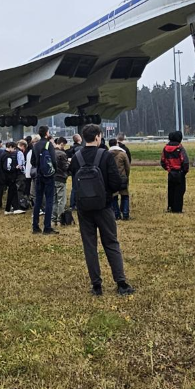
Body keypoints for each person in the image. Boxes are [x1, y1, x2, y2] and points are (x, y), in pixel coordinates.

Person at [68, 124, 134, 296]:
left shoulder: (76, 157)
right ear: (98, 136)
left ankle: (96, 285)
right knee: (111, 242)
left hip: (84, 208)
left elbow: (75, 182)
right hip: (104, 206)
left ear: (83, 138)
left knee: (90, 245)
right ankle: (121, 283)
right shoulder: (105, 156)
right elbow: (116, 182)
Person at [30, 125, 59, 235]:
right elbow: (53, 160)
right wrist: (53, 171)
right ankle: (47, 227)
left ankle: (35, 226)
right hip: (48, 176)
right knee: (49, 200)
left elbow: (33, 161)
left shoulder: (35, 145)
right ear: (47, 133)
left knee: (38, 200)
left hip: (39, 175)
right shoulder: (49, 144)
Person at [160, 131, 190, 214]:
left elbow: (162, 161)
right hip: (179, 172)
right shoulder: (180, 147)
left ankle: (170, 207)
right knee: (180, 191)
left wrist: (168, 169)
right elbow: (185, 161)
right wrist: (184, 171)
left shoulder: (165, 148)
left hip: (171, 172)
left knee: (171, 190)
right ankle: (177, 209)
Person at [0, 142, 25, 214]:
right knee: (12, 192)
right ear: (10, 147)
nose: (14, 150)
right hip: (10, 177)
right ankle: (11, 208)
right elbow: (8, 168)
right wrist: (16, 167)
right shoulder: (8, 156)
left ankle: (12, 208)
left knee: (12, 192)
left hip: (4, 176)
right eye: (14, 148)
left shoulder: (2, 154)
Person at [108, 138, 131, 220]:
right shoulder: (123, 154)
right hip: (122, 177)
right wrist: (126, 176)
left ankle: (116, 214)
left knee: (114, 197)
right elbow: (127, 167)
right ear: (117, 144)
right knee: (125, 196)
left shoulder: (107, 154)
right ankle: (125, 214)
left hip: (112, 178)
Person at [52, 136, 71, 227]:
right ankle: (60, 219)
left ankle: (52, 219)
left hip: (52, 178)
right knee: (61, 200)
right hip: (60, 178)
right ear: (62, 144)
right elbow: (65, 167)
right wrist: (69, 163)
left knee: (54, 200)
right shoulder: (62, 154)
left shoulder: (50, 153)